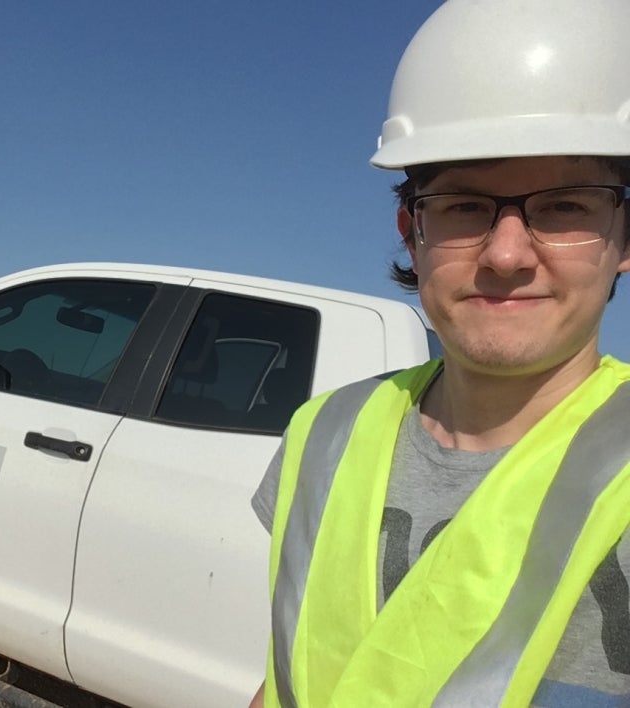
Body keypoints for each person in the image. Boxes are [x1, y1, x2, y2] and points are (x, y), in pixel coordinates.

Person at [249, 0, 630, 705]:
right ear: (411, 230)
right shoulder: (323, 435)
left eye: (566, 205)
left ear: (625, 237)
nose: (507, 254)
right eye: (463, 205)